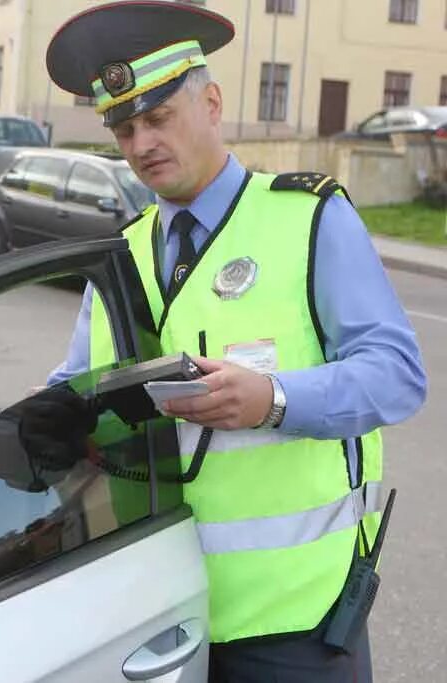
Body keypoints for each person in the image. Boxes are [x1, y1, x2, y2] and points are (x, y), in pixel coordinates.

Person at [42, 3, 427, 681]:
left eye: (158, 118)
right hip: (154, 615)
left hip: (295, 624)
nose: (140, 145)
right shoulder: (123, 253)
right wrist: (53, 424)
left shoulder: (307, 219)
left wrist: (273, 399)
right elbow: (75, 386)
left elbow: (396, 373)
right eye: (124, 128)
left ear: (212, 102)